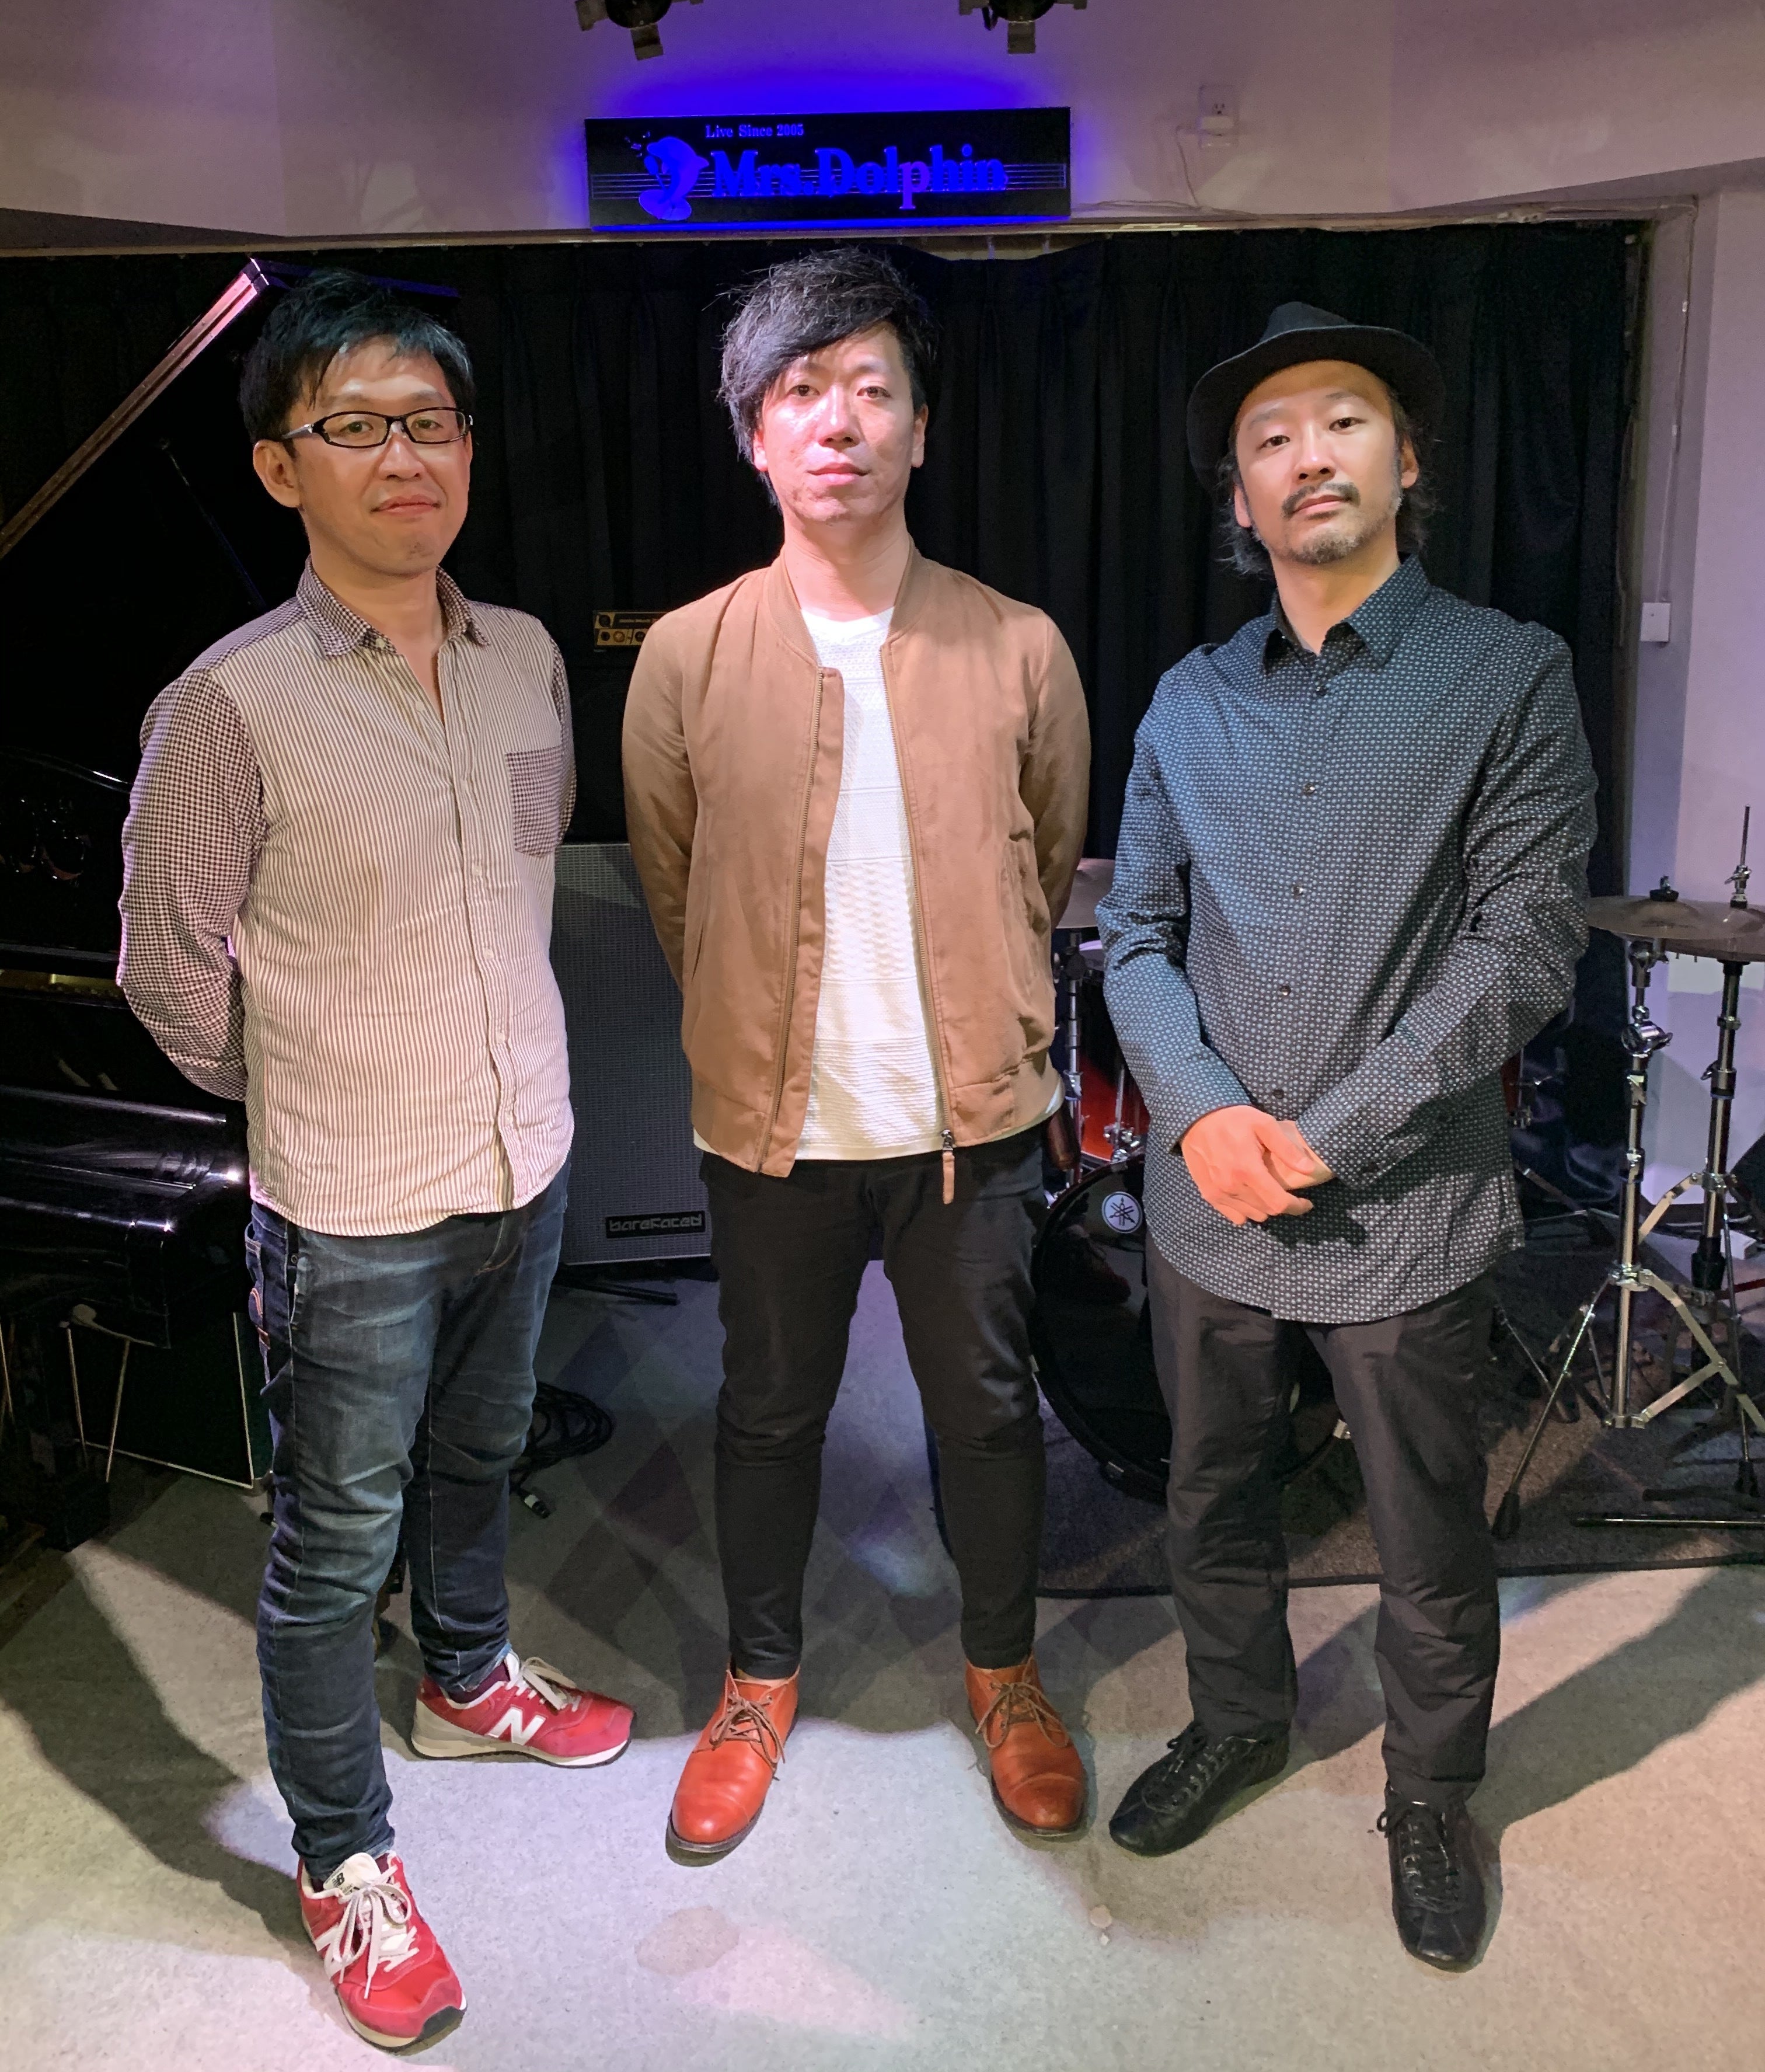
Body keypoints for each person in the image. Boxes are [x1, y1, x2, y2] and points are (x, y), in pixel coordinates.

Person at [118, 270, 633, 2053]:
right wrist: (304, 1088)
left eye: (432, 422)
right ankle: (345, 1858)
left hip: (526, 1156)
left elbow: (522, 873)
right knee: (335, 1546)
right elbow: (166, 970)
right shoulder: (228, 702)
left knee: (484, 1453)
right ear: (283, 467)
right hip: (348, 1201)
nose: (405, 457)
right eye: (357, 427)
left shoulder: (526, 658)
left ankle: (468, 1678)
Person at [1098, 301, 1597, 1970]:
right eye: (1270, 438)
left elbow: (1523, 948)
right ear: (1239, 496)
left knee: (1427, 1533)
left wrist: (1325, 1139)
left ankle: (1432, 1793)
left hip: (1405, 1206)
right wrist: (1203, 1116)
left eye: (1343, 422)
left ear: (1408, 460)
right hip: (1211, 1206)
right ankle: (1237, 1719)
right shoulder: (1187, 703)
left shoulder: (1509, 674)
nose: (1306, 455)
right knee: (1210, 1496)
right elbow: (1136, 936)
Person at [623, 249, 1092, 1860]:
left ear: (920, 431)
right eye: (801, 392)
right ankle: (757, 1685)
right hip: (777, 1137)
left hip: (972, 1129)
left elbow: (1044, 860)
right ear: (754, 435)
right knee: (767, 1414)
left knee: (989, 1414)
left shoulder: (1018, 646)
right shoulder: (688, 655)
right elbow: (678, 888)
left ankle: (1006, 1674)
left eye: (873, 390)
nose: (840, 422)